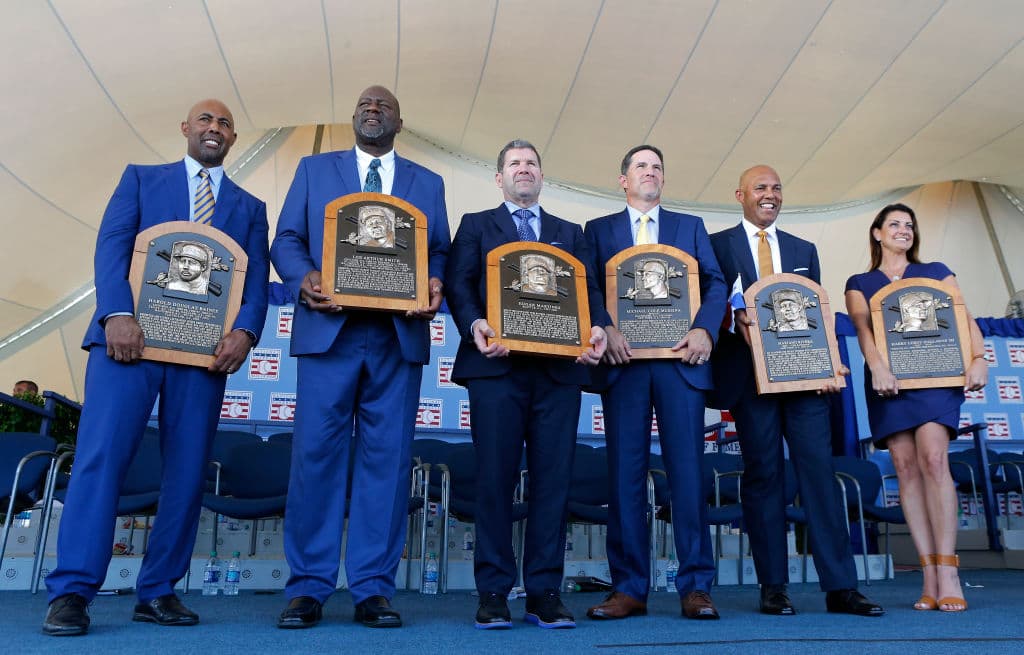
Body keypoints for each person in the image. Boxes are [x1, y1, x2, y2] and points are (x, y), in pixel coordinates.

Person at [42, 99, 269, 636]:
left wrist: (246, 331)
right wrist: (117, 313)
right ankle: (72, 591)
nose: (215, 129)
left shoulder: (249, 205)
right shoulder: (141, 180)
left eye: (226, 124)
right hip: (128, 346)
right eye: (206, 120)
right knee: (100, 461)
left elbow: (255, 278)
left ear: (234, 138)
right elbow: (111, 248)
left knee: (188, 472)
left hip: (202, 355)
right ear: (186, 128)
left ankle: (159, 590)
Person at [271, 85, 449, 630]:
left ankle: (373, 587)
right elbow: (286, 240)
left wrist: (436, 280)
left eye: (384, 106)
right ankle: (308, 586)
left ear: (401, 121)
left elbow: (438, 247)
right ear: (353, 118)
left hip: (397, 337)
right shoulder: (313, 169)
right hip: (330, 333)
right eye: (364, 106)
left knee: (388, 463)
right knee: (315, 459)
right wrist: (305, 279)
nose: (372, 110)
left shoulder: (429, 182)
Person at [708, 165, 883, 617]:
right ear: (740, 195)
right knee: (764, 477)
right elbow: (708, 301)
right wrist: (734, 315)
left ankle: (841, 587)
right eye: (761, 188)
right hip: (751, 381)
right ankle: (773, 586)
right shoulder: (715, 245)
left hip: (806, 381)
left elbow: (815, 313)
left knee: (819, 477)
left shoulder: (804, 249)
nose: (770, 195)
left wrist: (828, 358)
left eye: (777, 188)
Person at [445, 139, 606, 630]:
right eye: (514, 163)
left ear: (541, 176)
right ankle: (493, 591)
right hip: (496, 370)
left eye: (531, 163)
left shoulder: (569, 233)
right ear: (499, 178)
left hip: (557, 375)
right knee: (494, 480)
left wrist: (597, 326)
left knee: (553, 482)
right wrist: (475, 325)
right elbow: (459, 283)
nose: (523, 169)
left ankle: (544, 591)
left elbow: (590, 290)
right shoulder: (476, 225)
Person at [583, 145, 727, 621]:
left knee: (687, 474)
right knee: (624, 477)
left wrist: (706, 326)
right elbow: (585, 286)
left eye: (657, 167)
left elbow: (716, 281)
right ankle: (628, 588)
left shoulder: (690, 226)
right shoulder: (598, 230)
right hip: (624, 365)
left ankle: (695, 587)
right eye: (641, 166)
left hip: (680, 364)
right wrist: (606, 325)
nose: (651, 173)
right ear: (623, 180)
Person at [845, 203, 986, 613]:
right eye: (894, 224)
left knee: (935, 460)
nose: (903, 231)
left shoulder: (937, 271)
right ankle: (927, 574)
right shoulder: (860, 281)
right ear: (877, 233)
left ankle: (949, 571)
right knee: (905, 469)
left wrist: (979, 358)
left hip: (937, 380)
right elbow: (862, 329)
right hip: (889, 383)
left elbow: (965, 317)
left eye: (909, 225)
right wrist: (877, 369)